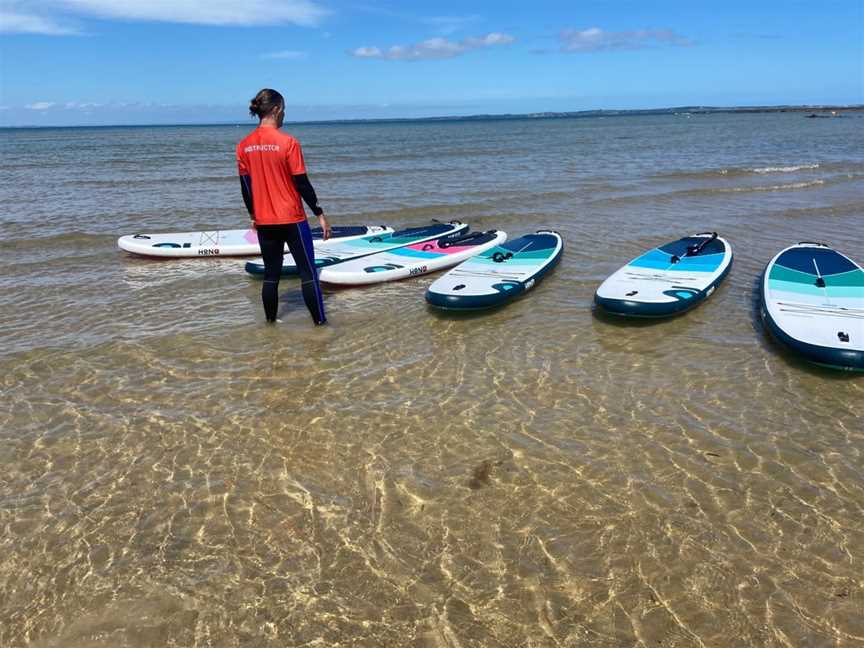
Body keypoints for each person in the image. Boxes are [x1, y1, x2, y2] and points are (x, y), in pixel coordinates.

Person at [236, 88, 330, 324]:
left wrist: (253, 215)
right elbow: (302, 183)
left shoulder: (243, 145)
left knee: (271, 275)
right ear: (276, 109)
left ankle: (270, 326)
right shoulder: (288, 142)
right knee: (308, 274)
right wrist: (319, 213)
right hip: (292, 218)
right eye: (284, 109)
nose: (285, 114)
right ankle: (321, 325)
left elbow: (245, 187)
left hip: (264, 221)